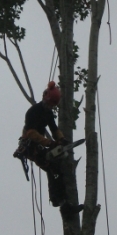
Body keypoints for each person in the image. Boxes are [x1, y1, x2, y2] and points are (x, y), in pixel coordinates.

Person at [17, 81, 84, 215]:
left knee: (55, 166)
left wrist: (61, 139)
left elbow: (54, 128)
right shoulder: (33, 112)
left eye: (52, 106)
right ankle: (63, 205)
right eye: (49, 104)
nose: (50, 107)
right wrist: (49, 143)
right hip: (30, 146)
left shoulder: (48, 114)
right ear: (45, 98)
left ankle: (56, 199)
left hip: (40, 145)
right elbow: (30, 133)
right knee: (53, 168)